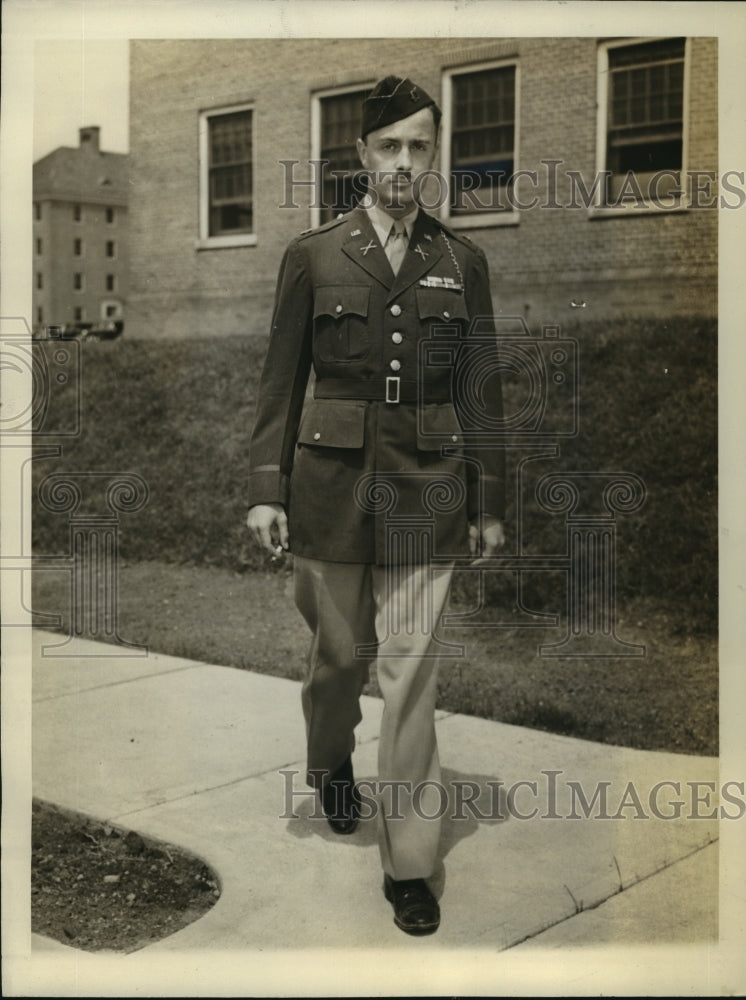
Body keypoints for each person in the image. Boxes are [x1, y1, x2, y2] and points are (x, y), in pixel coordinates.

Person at [247, 75, 505, 936]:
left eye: (419, 146)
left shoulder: (461, 262)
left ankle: (411, 866)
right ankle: (330, 765)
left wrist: (488, 500)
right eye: (389, 145)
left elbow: (481, 394)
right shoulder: (314, 255)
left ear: (435, 155)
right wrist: (265, 489)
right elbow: (280, 382)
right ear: (362, 154)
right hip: (329, 491)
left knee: (411, 677)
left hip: (428, 490)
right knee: (338, 664)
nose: (403, 161)